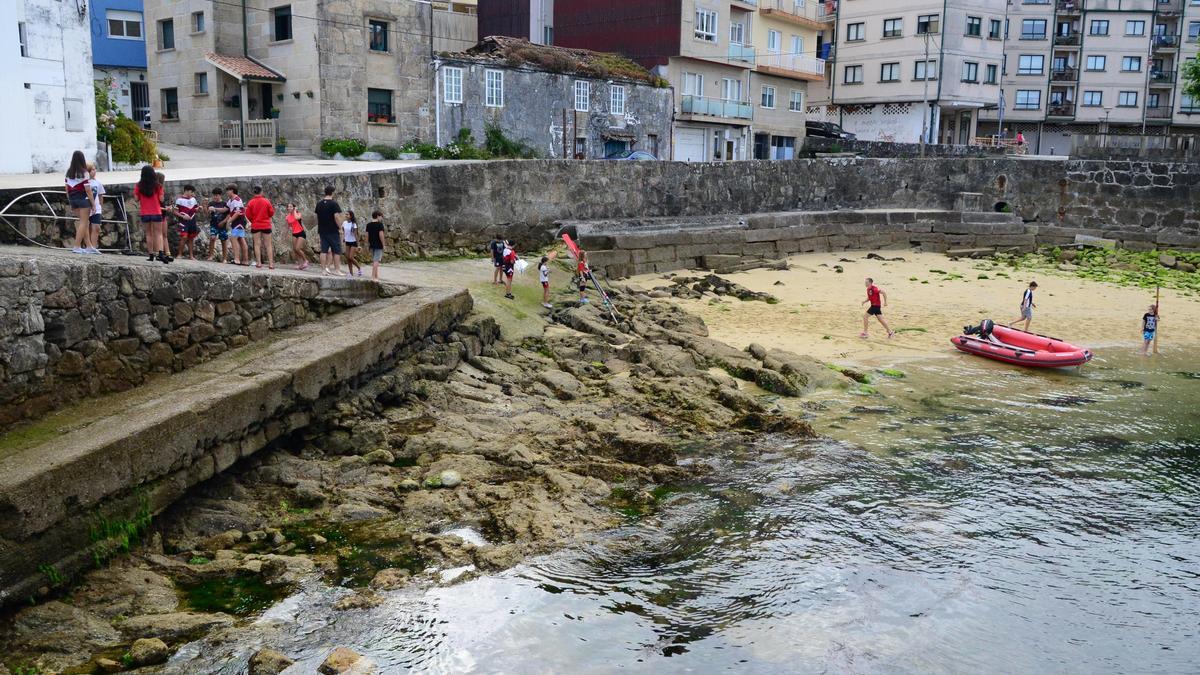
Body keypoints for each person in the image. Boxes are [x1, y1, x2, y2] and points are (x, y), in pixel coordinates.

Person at [135, 165, 169, 263]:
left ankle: (151, 255)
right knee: (158, 233)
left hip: (145, 212)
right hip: (156, 212)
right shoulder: (158, 186)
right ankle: (160, 253)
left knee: (149, 233)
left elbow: (136, 199)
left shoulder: (138, 185)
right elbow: (161, 199)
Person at [65, 151, 94, 254]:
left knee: (82, 223)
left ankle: (89, 246)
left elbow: (66, 189)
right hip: (82, 199)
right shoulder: (84, 172)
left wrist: (70, 200)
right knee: (84, 223)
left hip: (73, 199)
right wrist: (93, 204)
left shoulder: (68, 172)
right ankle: (77, 246)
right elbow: (88, 190)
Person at [315, 186, 343, 276]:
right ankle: (337, 270)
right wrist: (340, 228)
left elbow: (317, 218)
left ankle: (323, 270)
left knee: (323, 251)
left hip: (322, 230)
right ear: (332, 193)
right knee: (336, 251)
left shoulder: (319, 204)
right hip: (333, 230)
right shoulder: (334, 204)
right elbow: (336, 217)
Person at [246, 185, 276, 270]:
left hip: (255, 225)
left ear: (253, 192)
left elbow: (248, 214)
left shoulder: (251, 202)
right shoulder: (266, 201)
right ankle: (271, 264)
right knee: (268, 245)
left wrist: (253, 220)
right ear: (261, 192)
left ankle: (259, 263)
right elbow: (271, 212)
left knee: (257, 244)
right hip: (266, 224)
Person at [173, 185, 201, 260]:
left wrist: (199, 208)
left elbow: (195, 209)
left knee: (191, 238)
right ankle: (179, 254)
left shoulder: (193, 199)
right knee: (184, 237)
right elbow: (175, 212)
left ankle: (191, 256)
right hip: (183, 221)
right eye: (191, 192)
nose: (192, 194)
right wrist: (182, 216)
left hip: (192, 221)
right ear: (187, 191)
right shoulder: (179, 200)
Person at [224, 184, 248, 265]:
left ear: (232, 191)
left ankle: (237, 259)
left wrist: (229, 221)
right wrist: (215, 208)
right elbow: (225, 209)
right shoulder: (230, 200)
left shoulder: (237, 200)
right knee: (241, 239)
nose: (227, 192)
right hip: (236, 221)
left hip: (239, 221)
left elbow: (237, 213)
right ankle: (245, 260)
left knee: (233, 238)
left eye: (228, 190)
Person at [206, 188, 230, 263]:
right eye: (214, 196)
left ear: (220, 195)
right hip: (213, 224)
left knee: (223, 241)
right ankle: (211, 255)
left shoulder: (225, 204)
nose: (215, 197)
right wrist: (206, 207)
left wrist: (224, 222)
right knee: (212, 238)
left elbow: (229, 214)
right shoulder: (211, 203)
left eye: (216, 195)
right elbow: (207, 214)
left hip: (222, 225)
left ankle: (224, 258)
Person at [85, 162, 104, 254]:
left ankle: (93, 246)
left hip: (96, 208)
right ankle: (88, 246)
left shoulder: (98, 182)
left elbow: (100, 195)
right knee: (87, 227)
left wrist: (100, 206)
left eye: (95, 169)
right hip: (86, 207)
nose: (94, 171)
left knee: (96, 227)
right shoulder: (84, 182)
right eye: (92, 170)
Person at [286, 203, 311, 270]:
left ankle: (306, 261)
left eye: (291, 206)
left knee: (297, 248)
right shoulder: (287, 216)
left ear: (294, 208)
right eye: (288, 207)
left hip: (301, 233)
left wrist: (295, 210)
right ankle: (300, 264)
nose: (289, 208)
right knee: (295, 250)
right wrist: (286, 233)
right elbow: (289, 225)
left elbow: (297, 218)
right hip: (294, 233)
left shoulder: (298, 214)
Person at [366, 210, 385, 280]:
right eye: (381, 217)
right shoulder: (380, 225)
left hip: (372, 244)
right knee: (376, 261)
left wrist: (367, 244)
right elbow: (381, 235)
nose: (381, 218)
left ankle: (376, 276)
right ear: (377, 216)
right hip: (378, 245)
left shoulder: (368, 225)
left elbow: (366, 236)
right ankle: (373, 276)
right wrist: (383, 244)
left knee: (374, 260)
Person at [342, 210, 362, 277]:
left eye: (347, 214)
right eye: (346, 214)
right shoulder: (344, 223)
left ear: (350, 216)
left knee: (351, 257)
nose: (346, 215)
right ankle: (351, 273)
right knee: (347, 258)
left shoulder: (354, 224)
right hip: (347, 242)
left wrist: (358, 245)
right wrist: (344, 237)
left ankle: (359, 268)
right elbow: (343, 230)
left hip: (353, 242)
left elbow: (356, 235)